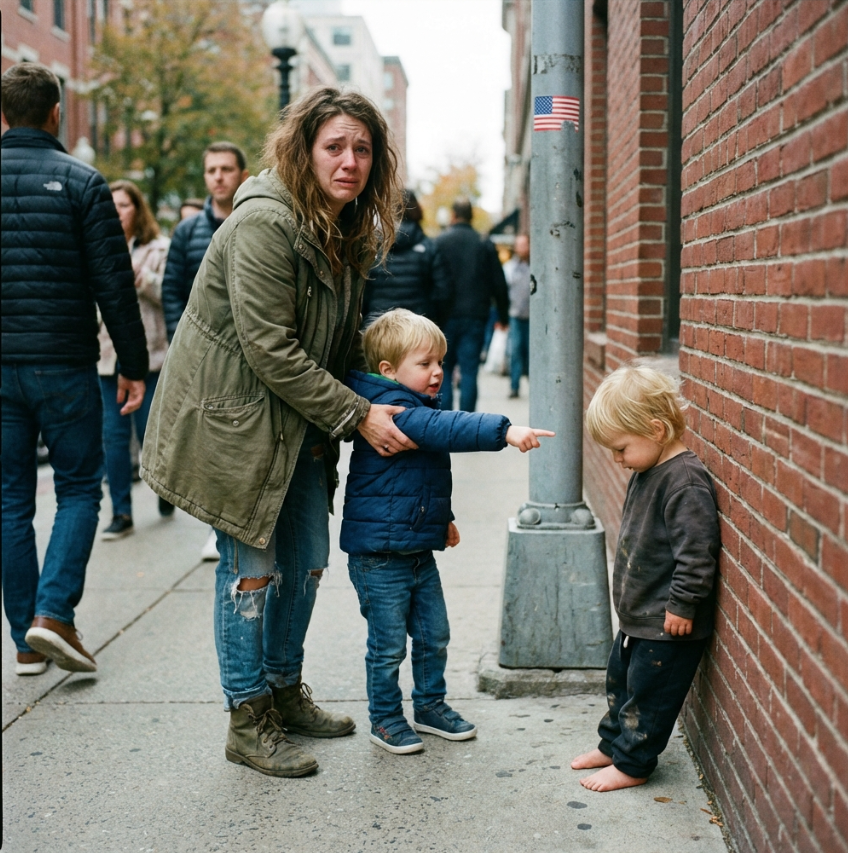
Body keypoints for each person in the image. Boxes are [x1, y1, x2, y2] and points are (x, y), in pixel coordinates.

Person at [141, 87, 413, 777]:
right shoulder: (265, 223)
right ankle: (247, 713)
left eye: (362, 148)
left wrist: (396, 380)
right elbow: (271, 348)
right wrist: (359, 414)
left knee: (309, 558)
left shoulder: (343, 227)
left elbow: (337, 342)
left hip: (296, 424)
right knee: (252, 572)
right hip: (234, 421)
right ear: (304, 150)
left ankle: (285, 690)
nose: (350, 161)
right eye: (335, 146)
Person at [342, 309, 554, 753]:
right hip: (379, 556)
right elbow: (447, 428)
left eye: (440, 361)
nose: (438, 371)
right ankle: (384, 718)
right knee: (387, 648)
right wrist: (505, 430)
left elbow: (419, 479)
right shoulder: (395, 410)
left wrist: (444, 518)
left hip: (417, 549)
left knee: (433, 634)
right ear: (389, 371)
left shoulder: (416, 404)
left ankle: (430, 706)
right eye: (425, 364)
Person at [1, 63, 148, 676]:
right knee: (80, 488)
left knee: (9, 499)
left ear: (6, 115)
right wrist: (133, 364)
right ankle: (53, 612)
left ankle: (26, 642)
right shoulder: (84, 182)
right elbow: (114, 285)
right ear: (56, 113)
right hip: (63, 362)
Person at [573, 365, 720, 791]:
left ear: (655, 430)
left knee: (649, 697)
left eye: (621, 449)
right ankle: (613, 744)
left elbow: (697, 551)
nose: (617, 461)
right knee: (620, 686)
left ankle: (634, 764)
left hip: (667, 623)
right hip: (639, 616)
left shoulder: (685, 482)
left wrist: (683, 603)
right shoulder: (647, 470)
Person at [161, 141, 249, 561]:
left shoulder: (254, 222)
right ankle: (219, 527)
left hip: (249, 352)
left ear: (241, 175)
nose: (218, 176)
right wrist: (184, 338)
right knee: (210, 443)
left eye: (226, 169)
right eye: (211, 169)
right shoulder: (186, 232)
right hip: (202, 354)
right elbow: (172, 289)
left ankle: (236, 522)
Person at [98, 180, 172, 539]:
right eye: (111, 205)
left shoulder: (159, 248)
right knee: (112, 437)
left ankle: (164, 489)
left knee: (149, 434)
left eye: (124, 205)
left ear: (137, 209)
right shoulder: (95, 246)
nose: (117, 212)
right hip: (106, 357)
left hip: (150, 357)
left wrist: (146, 280)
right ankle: (121, 512)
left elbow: (171, 296)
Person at [435, 198, 509, 412]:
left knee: (443, 370)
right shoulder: (484, 243)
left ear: (453, 216)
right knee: (469, 371)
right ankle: (466, 423)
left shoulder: (440, 243)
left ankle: (446, 420)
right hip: (475, 317)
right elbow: (499, 283)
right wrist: (503, 317)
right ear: (471, 216)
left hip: (445, 317)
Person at [361, 189, 452, 327]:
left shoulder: (372, 247)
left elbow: (363, 290)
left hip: (377, 327)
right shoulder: (429, 247)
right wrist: (433, 321)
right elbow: (443, 292)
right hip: (416, 329)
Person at [504, 234, 530, 399]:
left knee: (531, 353)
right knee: (515, 351)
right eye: (518, 245)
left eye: (524, 245)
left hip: (532, 318)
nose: (521, 248)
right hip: (515, 316)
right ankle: (514, 387)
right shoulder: (509, 267)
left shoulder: (535, 266)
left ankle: (533, 386)